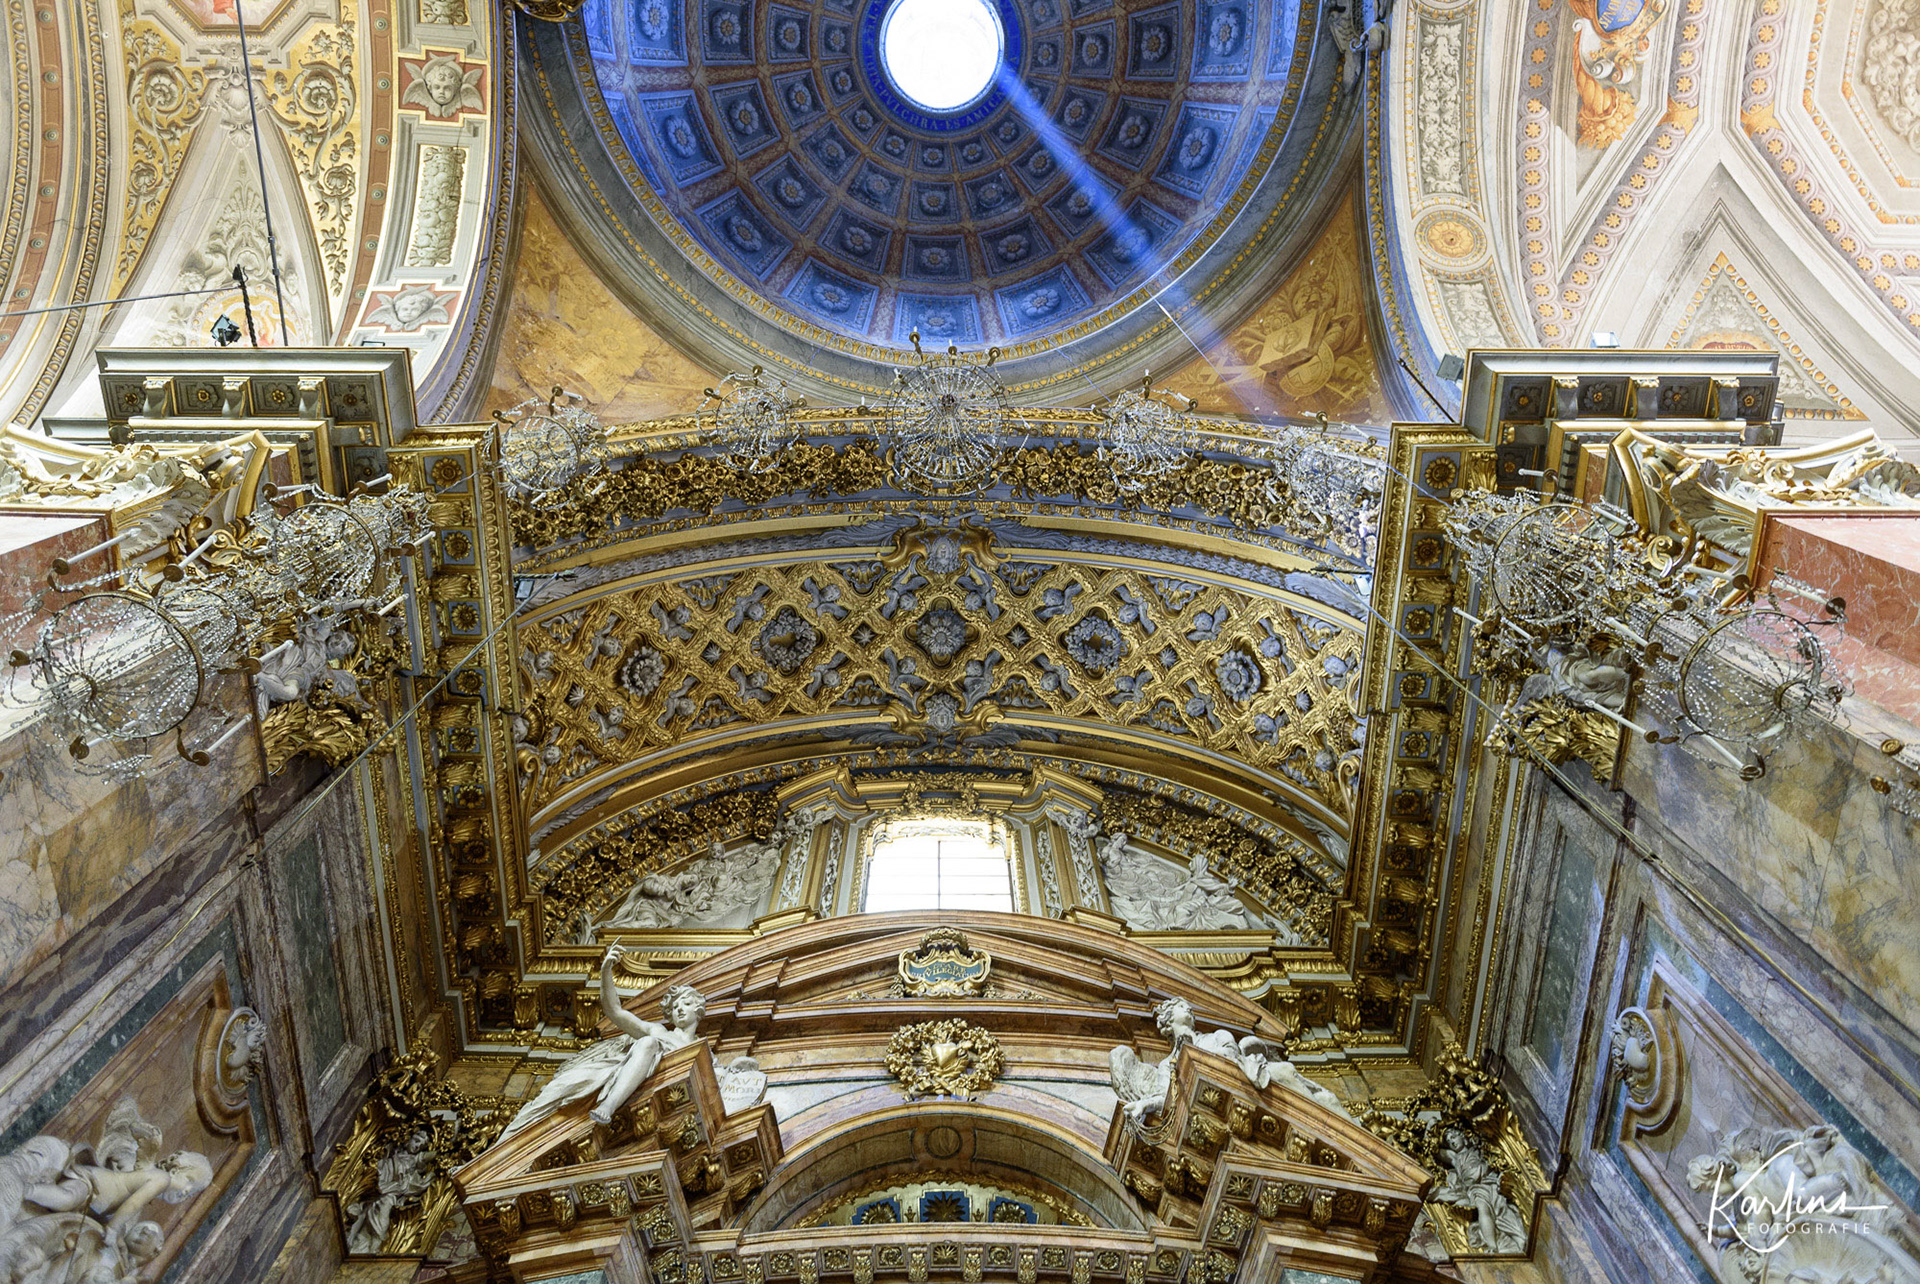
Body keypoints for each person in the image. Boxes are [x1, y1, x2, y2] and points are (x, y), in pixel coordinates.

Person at [498, 946, 707, 1138]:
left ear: (698, 1010)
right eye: (675, 1006)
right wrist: (606, 970)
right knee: (557, 1090)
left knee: (648, 1043)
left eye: (686, 1003)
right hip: (611, 1072)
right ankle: (505, 1142)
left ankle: (609, 1104)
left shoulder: (704, 1053)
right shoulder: (658, 1031)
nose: (679, 1009)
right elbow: (614, 1011)